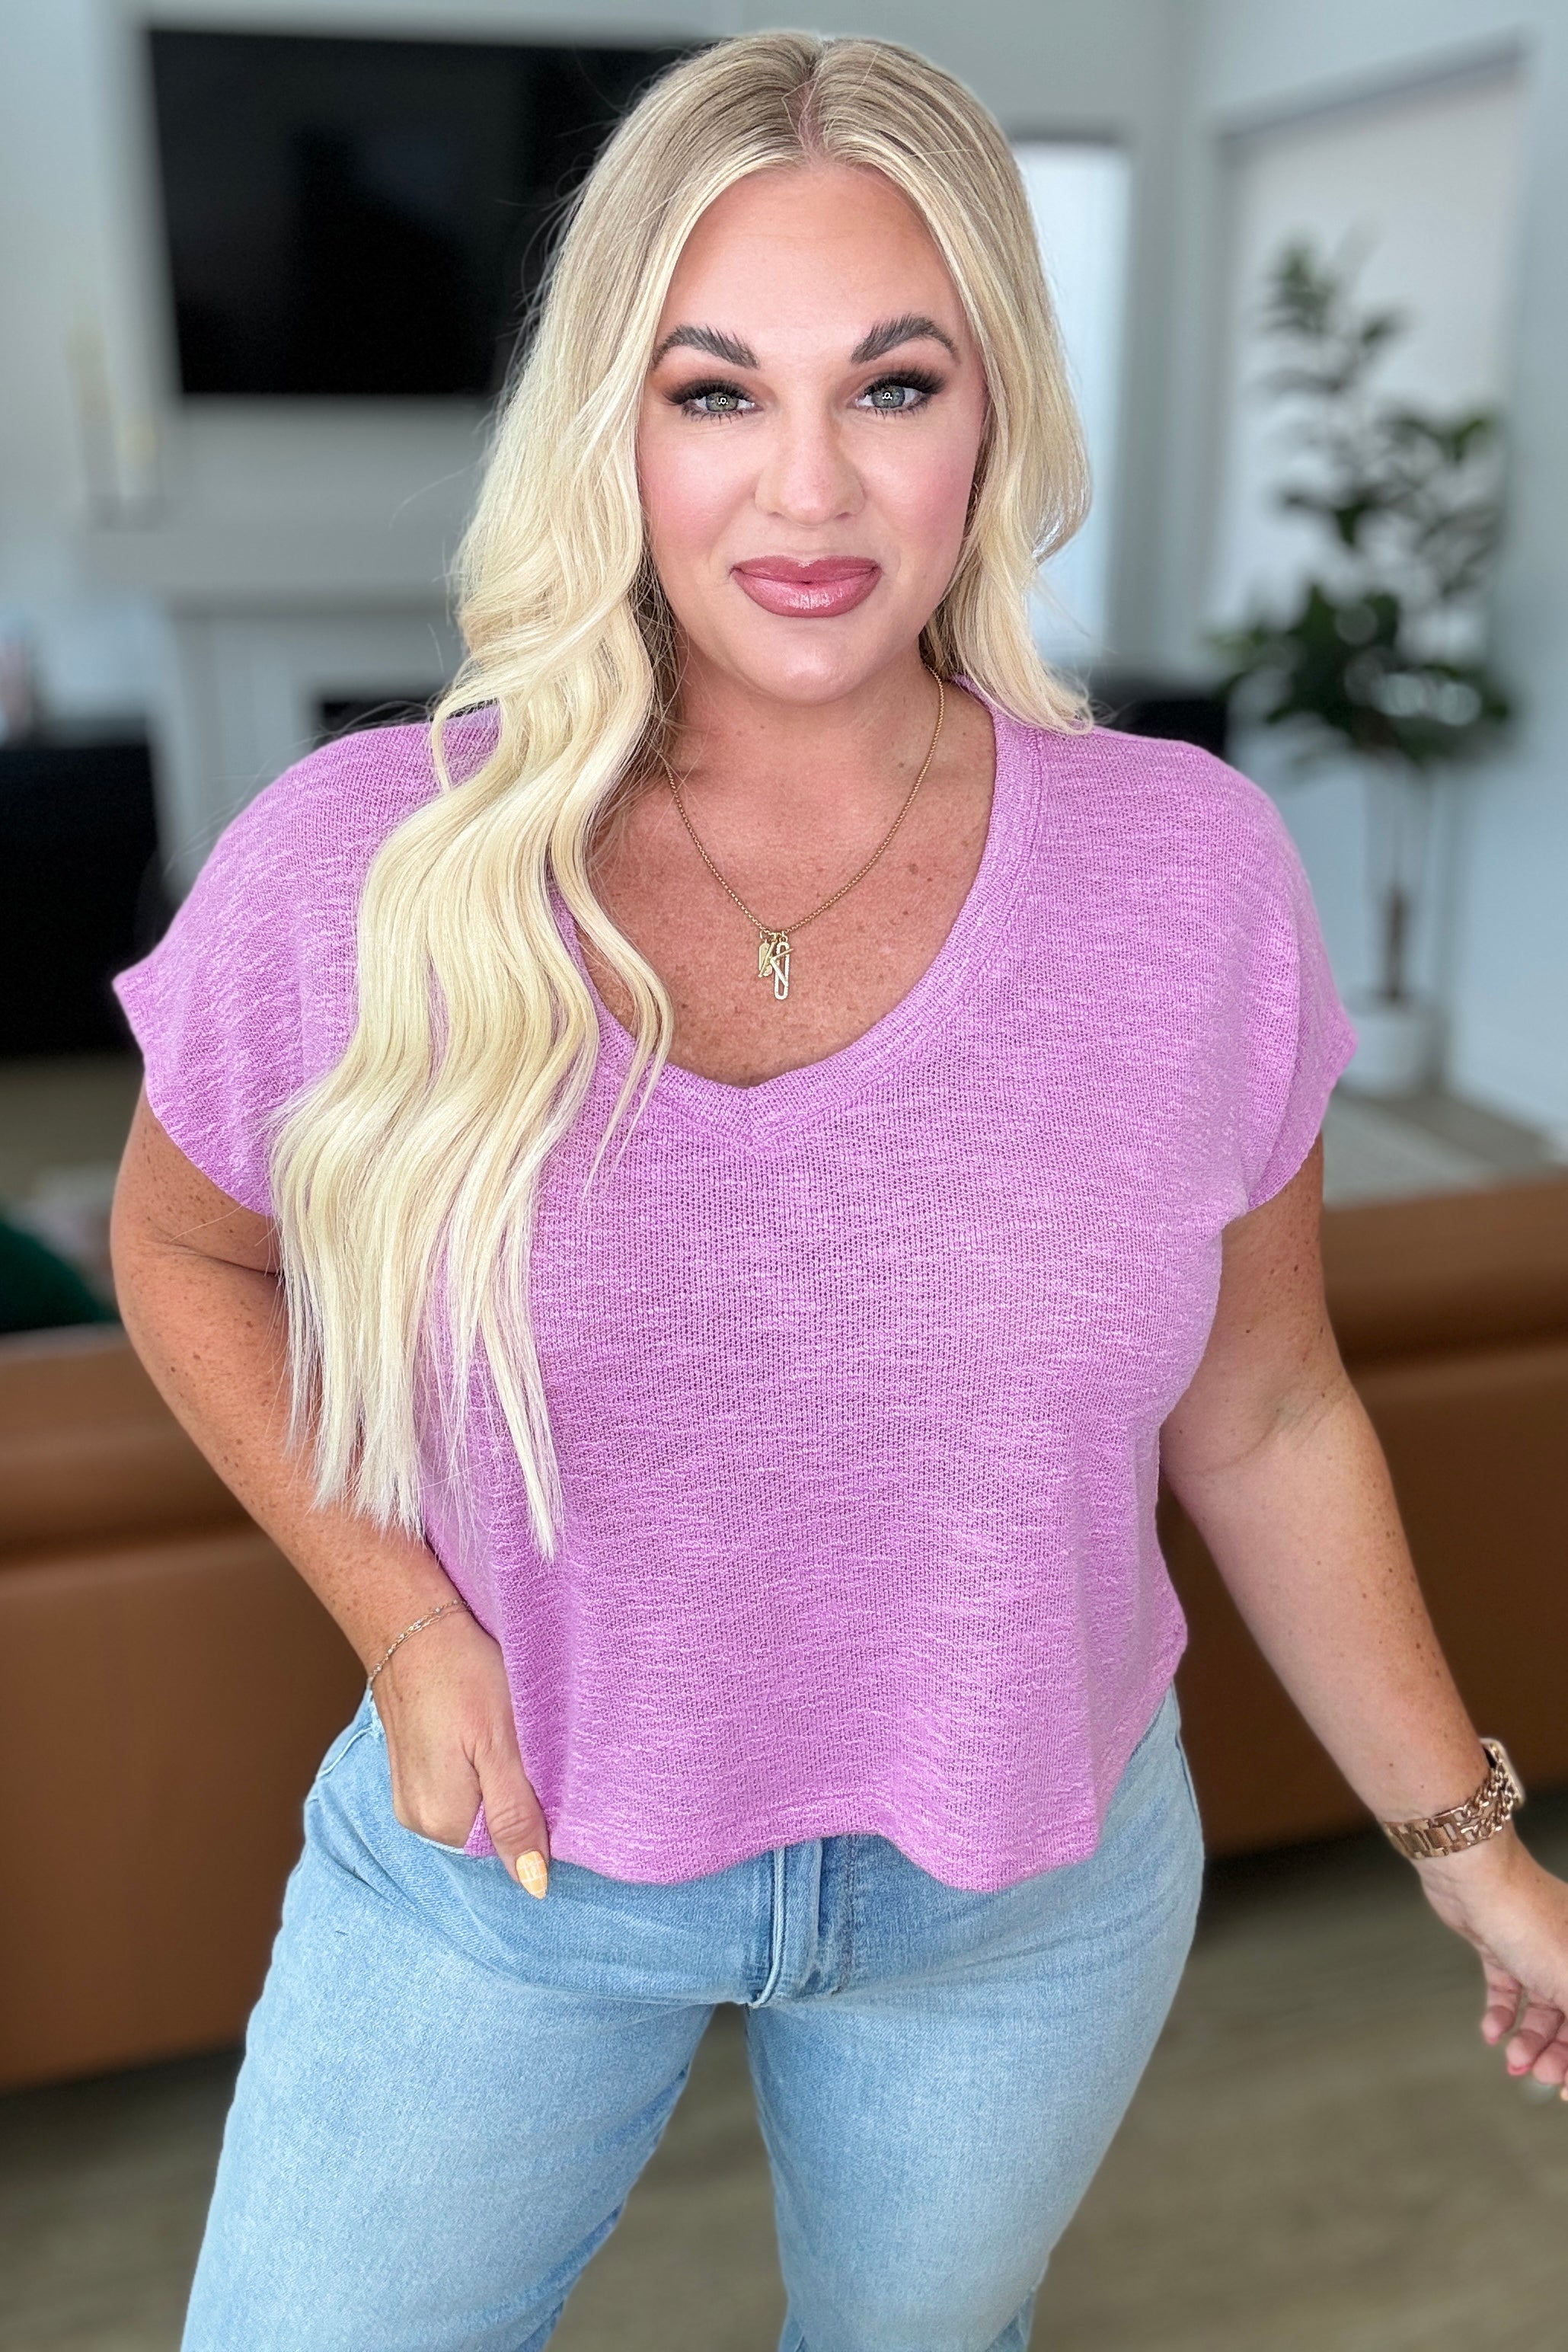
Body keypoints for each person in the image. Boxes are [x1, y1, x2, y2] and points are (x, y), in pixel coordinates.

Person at [110, 34, 1568, 2352]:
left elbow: (1270, 1408)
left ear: (993, 418)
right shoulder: (370, 863)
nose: (808, 487)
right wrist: (402, 1620)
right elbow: (185, 1244)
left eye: (892, 384)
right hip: (509, 1862)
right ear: (613, 425)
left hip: (1022, 1897)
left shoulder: (1186, 875)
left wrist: (1477, 1856)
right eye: (716, 391)